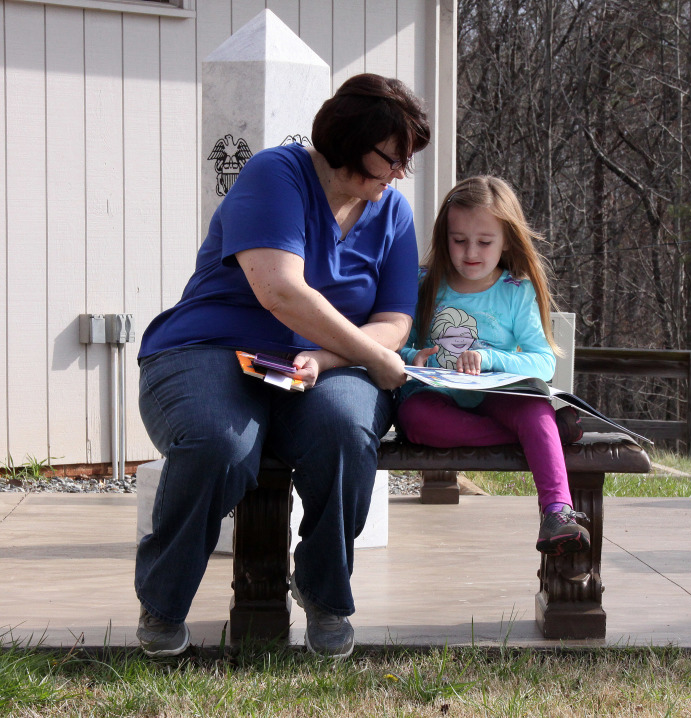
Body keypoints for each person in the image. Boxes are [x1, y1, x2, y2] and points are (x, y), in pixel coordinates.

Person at [135, 73, 430, 659]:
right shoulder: (277, 173)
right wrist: (376, 359)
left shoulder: (392, 213)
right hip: (210, 347)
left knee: (345, 431)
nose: (399, 174)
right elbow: (280, 292)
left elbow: (395, 318)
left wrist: (327, 356)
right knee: (219, 443)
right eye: (391, 159)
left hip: (325, 364)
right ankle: (163, 602)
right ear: (350, 142)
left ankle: (325, 593)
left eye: (406, 162)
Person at [396, 176, 589, 556]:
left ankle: (556, 512)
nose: (471, 252)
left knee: (534, 408)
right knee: (414, 419)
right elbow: (399, 342)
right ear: (443, 236)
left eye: (484, 242)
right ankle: (547, 436)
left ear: (506, 241)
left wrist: (490, 358)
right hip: (438, 396)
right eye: (458, 240)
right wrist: (410, 357)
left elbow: (543, 361)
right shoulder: (425, 283)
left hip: (495, 394)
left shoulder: (515, 291)